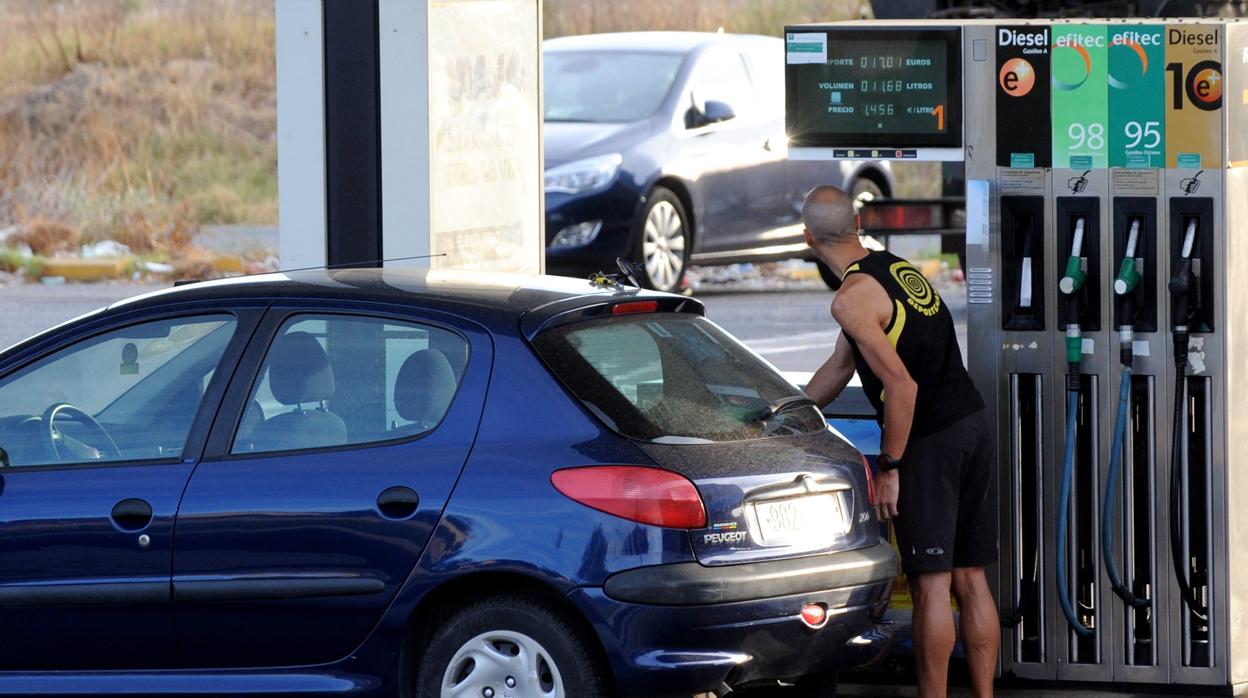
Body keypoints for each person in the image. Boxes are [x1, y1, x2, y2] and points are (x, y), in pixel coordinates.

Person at [800, 185, 998, 698]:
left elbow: (902, 386)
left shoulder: (850, 300)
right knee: (970, 576)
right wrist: (789, 414)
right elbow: (841, 367)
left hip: (929, 440)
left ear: (808, 238)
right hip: (971, 423)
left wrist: (890, 466)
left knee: (933, 581)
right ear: (856, 225)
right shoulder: (893, 270)